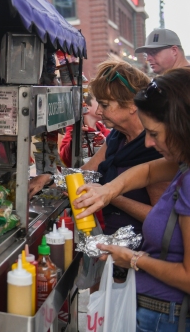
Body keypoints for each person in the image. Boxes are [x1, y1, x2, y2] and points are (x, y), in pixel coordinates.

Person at [74, 67, 190, 331]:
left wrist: (134, 259)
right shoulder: (182, 163)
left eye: (155, 134)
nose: (148, 143)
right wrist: (109, 190)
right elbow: (148, 170)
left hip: (167, 316)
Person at [29, 60, 167, 237]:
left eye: (105, 105)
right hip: (110, 240)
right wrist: (51, 179)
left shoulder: (155, 148)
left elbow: (160, 220)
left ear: (132, 104)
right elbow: (86, 172)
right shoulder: (117, 137)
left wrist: (110, 195)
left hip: (139, 250)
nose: (99, 111)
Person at [59, 92, 110, 167]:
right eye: (99, 101)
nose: (105, 105)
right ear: (86, 106)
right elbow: (64, 160)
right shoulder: (73, 129)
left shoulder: (106, 132)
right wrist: (74, 141)